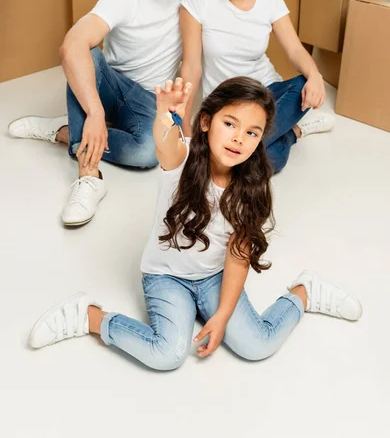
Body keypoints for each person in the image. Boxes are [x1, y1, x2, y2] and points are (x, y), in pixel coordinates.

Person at [29, 77, 362, 369]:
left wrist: (222, 315)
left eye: (251, 132)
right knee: (168, 355)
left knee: (257, 345)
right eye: (229, 124)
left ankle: (305, 293)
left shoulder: (253, 185)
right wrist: (164, 114)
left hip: (214, 277)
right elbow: (164, 143)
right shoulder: (182, 158)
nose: (238, 139)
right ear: (206, 122)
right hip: (166, 278)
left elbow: (238, 255)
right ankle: (86, 316)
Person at [8, 0, 204, 226]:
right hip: (112, 85)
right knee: (86, 53)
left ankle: (68, 133)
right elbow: (72, 45)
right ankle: (89, 176)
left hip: (153, 100)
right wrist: (97, 114)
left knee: (147, 156)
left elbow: (193, 64)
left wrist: (187, 125)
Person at [180, 0, 335, 173]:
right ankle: (291, 132)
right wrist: (185, 129)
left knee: (302, 83)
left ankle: (250, 144)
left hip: (266, 95)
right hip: (226, 105)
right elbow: (191, 66)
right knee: (265, 163)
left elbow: (295, 50)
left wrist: (315, 76)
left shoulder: (270, 0)